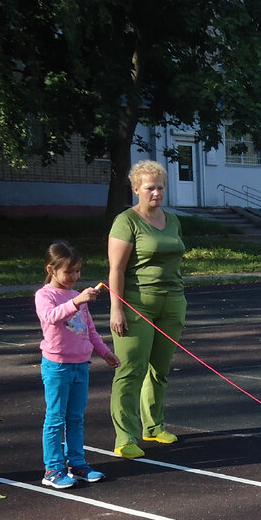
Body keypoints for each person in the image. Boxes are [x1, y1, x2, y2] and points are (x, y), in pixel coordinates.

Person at [107, 160, 187, 458]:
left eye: (161, 187)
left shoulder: (173, 220)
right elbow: (116, 269)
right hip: (136, 305)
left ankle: (153, 426)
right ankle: (125, 436)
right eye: (150, 188)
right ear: (136, 188)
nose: (156, 193)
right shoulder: (126, 221)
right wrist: (117, 308)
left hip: (172, 302)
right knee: (130, 370)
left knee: (160, 370)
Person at [36, 241, 121, 489]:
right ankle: (53, 468)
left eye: (77, 271)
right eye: (69, 272)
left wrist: (105, 352)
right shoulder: (45, 295)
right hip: (57, 366)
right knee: (55, 418)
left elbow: (90, 330)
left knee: (75, 417)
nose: (75, 277)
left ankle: (77, 463)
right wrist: (76, 302)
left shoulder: (76, 296)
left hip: (80, 365)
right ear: (51, 270)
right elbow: (50, 317)